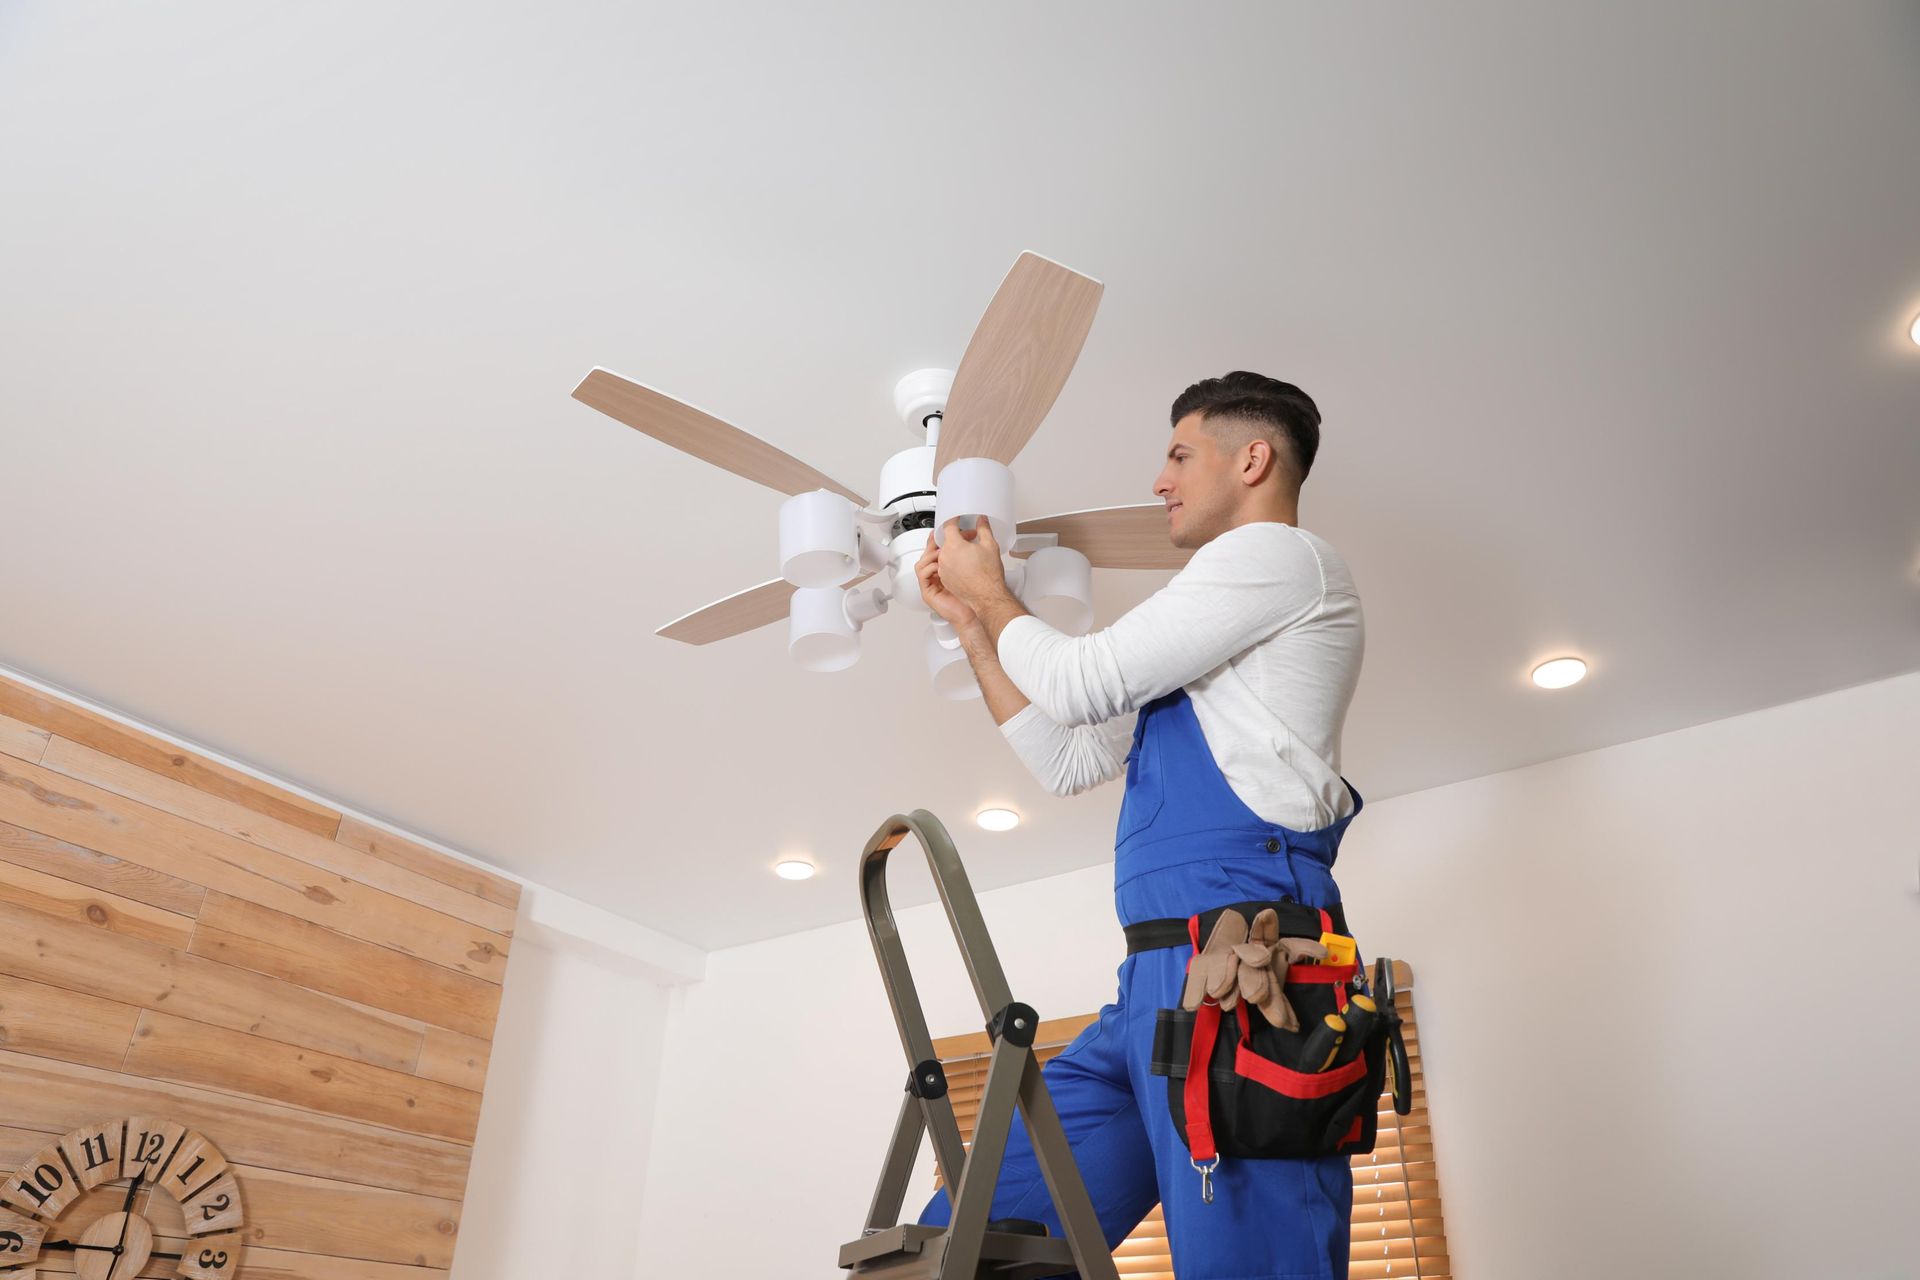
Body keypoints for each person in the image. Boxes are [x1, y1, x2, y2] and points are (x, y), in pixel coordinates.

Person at [912, 370, 1367, 1279]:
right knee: (970, 1240)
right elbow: (1070, 757)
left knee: (1247, 1259)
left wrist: (999, 593)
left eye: (1177, 454)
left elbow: (1083, 679)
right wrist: (973, 625)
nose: (1159, 481)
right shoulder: (1211, 629)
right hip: (1152, 985)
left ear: (1253, 457)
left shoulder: (1279, 556)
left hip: (1246, 976)